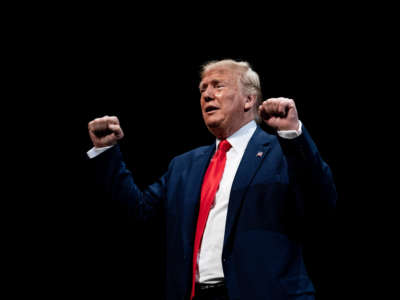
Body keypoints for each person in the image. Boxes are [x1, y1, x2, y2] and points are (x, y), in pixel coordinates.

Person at [87, 59, 337, 300]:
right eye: (203, 89)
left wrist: (292, 134)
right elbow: (138, 212)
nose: (207, 95)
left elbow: (321, 198)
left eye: (218, 86)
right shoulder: (183, 166)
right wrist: (106, 151)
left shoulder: (281, 151)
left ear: (249, 99)